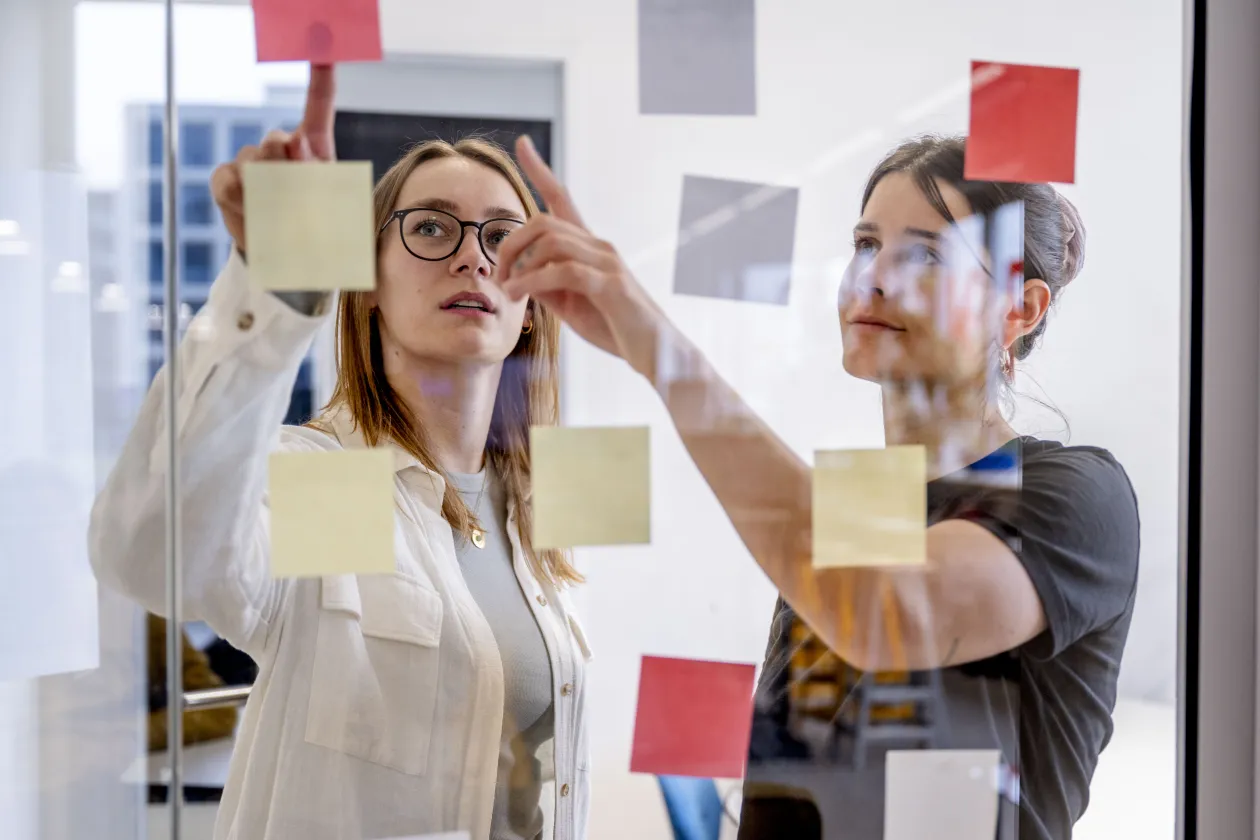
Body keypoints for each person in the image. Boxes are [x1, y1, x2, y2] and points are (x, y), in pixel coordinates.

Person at [497, 133, 1140, 839]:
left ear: (1021, 309)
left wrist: (657, 348)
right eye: (867, 244)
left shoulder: (1081, 496)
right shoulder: (859, 505)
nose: (875, 277)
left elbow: (880, 610)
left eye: (926, 253)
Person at [89, 65, 592, 840]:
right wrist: (277, 282)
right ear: (366, 285)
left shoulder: (534, 507)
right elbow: (150, 550)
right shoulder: (339, 484)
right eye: (431, 227)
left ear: (528, 308)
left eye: (502, 235)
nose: (474, 257)